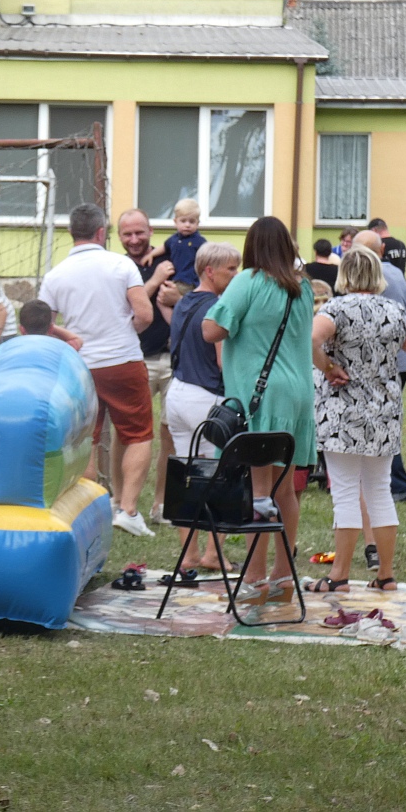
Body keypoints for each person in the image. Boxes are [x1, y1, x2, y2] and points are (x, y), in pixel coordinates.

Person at [303, 247, 406, 594]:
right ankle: (386, 575)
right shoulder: (395, 311)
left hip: (342, 412)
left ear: (344, 274)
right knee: (380, 490)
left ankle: (339, 576)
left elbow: (310, 339)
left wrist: (329, 367)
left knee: (345, 492)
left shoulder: (336, 308)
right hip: (384, 411)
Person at [202, 217, 317, 602]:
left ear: (252, 247)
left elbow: (210, 330)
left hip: (260, 396)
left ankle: (253, 580)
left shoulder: (247, 281)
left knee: (259, 491)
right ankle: (284, 577)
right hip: (297, 394)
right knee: (286, 492)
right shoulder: (303, 288)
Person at [40, 203, 155, 536]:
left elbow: (43, 324)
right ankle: (128, 510)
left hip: (80, 366)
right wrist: (122, 331)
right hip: (122, 361)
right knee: (138, 434)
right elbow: (145, 314)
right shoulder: (121, 265)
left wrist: (74, 337)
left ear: (71, 233)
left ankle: (89, 510)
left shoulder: (55, 274)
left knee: (85, 439)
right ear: (102, 232)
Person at [164, 242, 240, 572]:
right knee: (219, 478)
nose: (236, 275)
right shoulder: (218, 307)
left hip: (177, 393)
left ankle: (188, 554)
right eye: (231, 270)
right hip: (205, 397)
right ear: (210, 271)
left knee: (186, 475)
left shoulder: (184, 302)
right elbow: (224, 363)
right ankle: (214, 554)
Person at [117, 208, 182, 525]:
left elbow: (189, 298)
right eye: (127, 234)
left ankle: (161, 505)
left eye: (139, 232)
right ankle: (118, 501)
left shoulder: (170, 261)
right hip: (134, 359)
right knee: (126, 434)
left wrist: (177, 298)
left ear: (151, 231)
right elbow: (133, 307)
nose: (133, 239)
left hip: (172, 361)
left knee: (170, 435)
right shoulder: (116, 267)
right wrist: (156, 282)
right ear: (118, 236)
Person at [353, 229, 406, 504]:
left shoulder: (378, 277)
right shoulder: (395, 272)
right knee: (382, 421)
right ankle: (391, 484)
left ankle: (399, 485)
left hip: (386, 360)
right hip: (398, 358)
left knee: (380, 424)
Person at [144, 198, 207, 290]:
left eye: (192, 221)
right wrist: (151, 254)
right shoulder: (174, 239)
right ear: (175, 222)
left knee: (169, 294)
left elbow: (209, 256)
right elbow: (164, 247)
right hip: (175, 278)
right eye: (183, 221)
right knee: (161, 296)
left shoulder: (199, 241)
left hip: (189, 281)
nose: (187, 225)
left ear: (198, 223)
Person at [16, 299, 82, 347]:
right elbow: (77, 339)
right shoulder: (60, 348)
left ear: (21, 330)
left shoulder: (10, 348)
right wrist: (51, 327)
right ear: (51, 329)